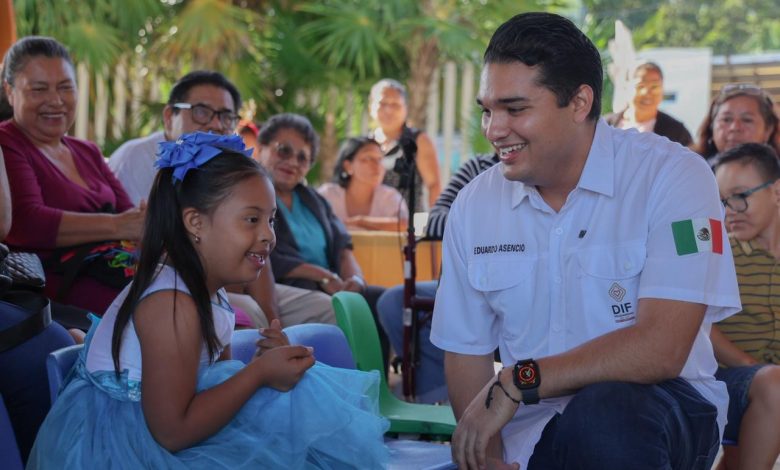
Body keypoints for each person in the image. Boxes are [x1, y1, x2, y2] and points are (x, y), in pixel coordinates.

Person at [430, 12, 740, 470]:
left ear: (579, 103)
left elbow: (663, 347)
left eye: (515, 109)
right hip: (530, 434)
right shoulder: (475, 205)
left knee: (606, 414)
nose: (494, 129)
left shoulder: (674, 176)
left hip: (660, 413)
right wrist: (489, 459)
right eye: (487, 109)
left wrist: (521, 379)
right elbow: (466, 353)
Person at [27, 132, 389, 468]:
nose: (268, 236)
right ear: (195, 223)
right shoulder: (171, 303)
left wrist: (260, 366)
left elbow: (214, 381)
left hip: (172, 432)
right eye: (251, 219)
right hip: (123, 448)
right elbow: (172, 432)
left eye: (272, 220)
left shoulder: (209, 291)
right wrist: (257, 374)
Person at [109, 71, 334, 329]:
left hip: (235, 274)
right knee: (247, 312)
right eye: (202, 112)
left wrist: (275, 324)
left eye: (226, 116)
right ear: (170, 117)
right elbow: (148, 244)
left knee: (323, 308)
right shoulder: (139, 159)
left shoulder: (232, 170)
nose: (216, 125)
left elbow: (256, 248)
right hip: (179, 280)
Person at [0, 36, 143, 315]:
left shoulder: (87, 150)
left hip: (116, 266)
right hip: (57, 281)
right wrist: (117, 226)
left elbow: (130, 216)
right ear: (9, 91)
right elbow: (28, 221)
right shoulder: (7, 142)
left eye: (65, 87)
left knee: (220, 299)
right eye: (39, 89)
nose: (55, 100)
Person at [258, 113, 389, 362]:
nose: (292, 162)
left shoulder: (313, 199)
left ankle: (375, 382)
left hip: (333, 282)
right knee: (338, 308)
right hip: (291, 285)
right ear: (262, 148)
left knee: (382, 300)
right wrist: (325, 277)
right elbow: (271, 256)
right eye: (283, 151)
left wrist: (356, 280)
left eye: (302, 157)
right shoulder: (254, 195)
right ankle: (342, 383)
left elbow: (343, 246)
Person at [377, 152, 499, 403]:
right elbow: (433, 219)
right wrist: (484, 225)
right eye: (488, 113)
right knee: (393, 302)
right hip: (471, 279)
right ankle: (438, 397)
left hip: (515, 287)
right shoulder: (478, 166)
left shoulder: (548, 166)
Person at [711, 143, 780, 470]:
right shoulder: (715, 249)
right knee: (773, 386)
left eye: (739, 196)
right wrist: (747, 363)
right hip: (726, 379)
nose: (729, 211)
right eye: (721, 201)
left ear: (776, 191)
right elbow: (694, 318)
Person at [368, 78, 441, 212]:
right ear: (371, 107)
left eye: (395, 104)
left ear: (405, 108)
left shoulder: (418, 140)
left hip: (408, 226)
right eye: (382, 103)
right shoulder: (366, 144)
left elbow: (434, 185)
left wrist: (434, 226)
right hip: (371, 224)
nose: (388, 110)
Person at [318, 136, 408, 231]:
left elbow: (403, 225)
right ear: (348, 166)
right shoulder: (328, 195)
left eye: (380, 159)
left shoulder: (389, 196)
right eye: (368, 159)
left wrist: (360, 222)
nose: (376, 165)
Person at [605, 61, 692, 146]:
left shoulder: (676, 131)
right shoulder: (605, 125)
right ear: (626, 88)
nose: (647, 92)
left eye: (654, 87)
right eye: (640, 86)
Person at [693, 83, 779, 163]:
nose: (734, 127)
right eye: (726, 119)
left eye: (747, 120)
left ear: (768, 130)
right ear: (712, 125)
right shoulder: (691, 171)